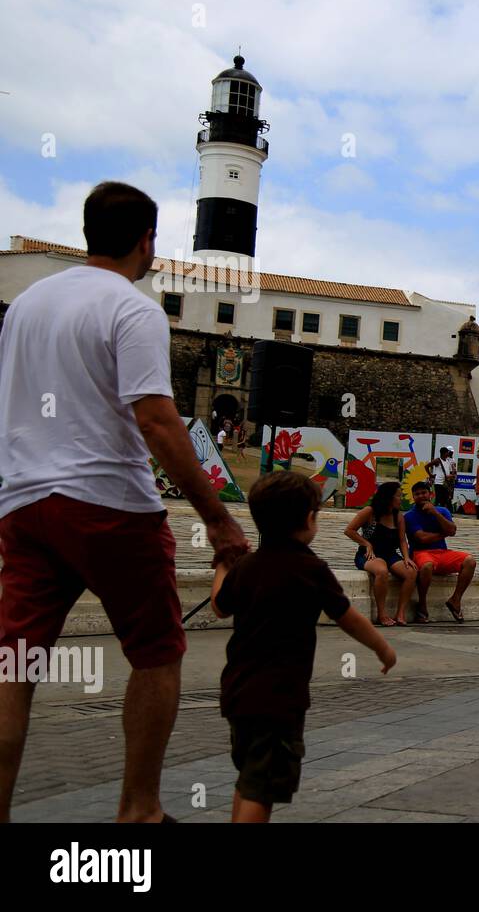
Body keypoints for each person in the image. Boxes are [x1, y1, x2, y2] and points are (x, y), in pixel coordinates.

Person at [0, 182, 250, 824]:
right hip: (109, 503)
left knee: (15, 663)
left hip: (25, 504)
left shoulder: (26, 305)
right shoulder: (132, 310)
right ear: (148, 240)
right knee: (157, 652)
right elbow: (159, 421)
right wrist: (218, 519)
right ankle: (138, 810)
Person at [211, 471, 395, 822]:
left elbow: (220, 606)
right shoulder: (311, 568)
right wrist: (382, 647)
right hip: (279, 696)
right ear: (309, 519)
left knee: (250, 774)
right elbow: (347, 616)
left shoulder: (247, 566)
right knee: (262, 786)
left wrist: (223, 563)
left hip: (237, 691)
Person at [345, 482, 417, 626]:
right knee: (381, 570)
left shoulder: (398, 517)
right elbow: (349, 530)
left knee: (411, 572)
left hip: (390, 554)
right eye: (398, 496)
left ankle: (400, 613)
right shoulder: (370, 512)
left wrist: (407, 557)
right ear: (389, 497)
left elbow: (403, 540)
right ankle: (381, 614)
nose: (400, 499)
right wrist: (366, 543)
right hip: (369, 555)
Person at [405, 481, 475, 623]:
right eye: (417, 494)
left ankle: (455, 599)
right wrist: (444, 534)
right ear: (413, 497)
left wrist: (435, 513)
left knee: (470, 561)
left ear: (430, 494)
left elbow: (452, 529)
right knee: (427, 566)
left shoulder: (442, 511)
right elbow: (422, 538)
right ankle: (422, 605)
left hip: (442, 552)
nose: (421, 496)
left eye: (424, 492)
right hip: (420, 553)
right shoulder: (409, 516)